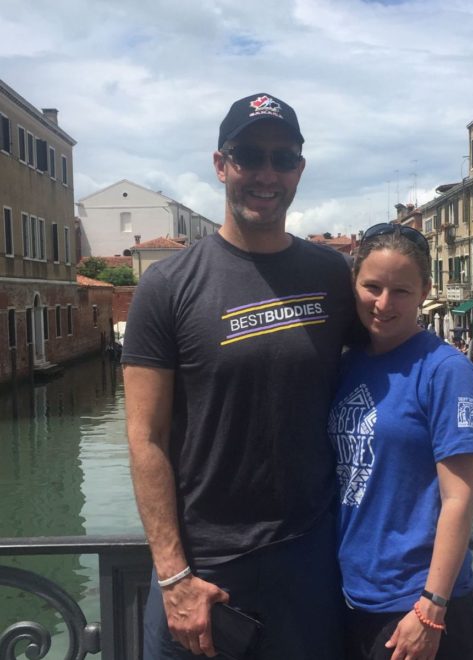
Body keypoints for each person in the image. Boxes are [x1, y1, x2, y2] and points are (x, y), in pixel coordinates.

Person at [122, 93, 357, 659]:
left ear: (299, 168)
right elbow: (145, 437)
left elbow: (385, 372)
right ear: (221, 164)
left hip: (309, 559)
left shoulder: (332, 274)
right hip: (204, 569)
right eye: (249, 155)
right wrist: (174, 576)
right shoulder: (166, 285)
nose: (266, 174)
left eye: (283, 158)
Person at [327, 223, 473, 660]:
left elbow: (459, 498)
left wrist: (431, 607)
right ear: (354, 284)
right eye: (372, 287)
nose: (383, 304)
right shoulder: (349, 365)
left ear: (424, 293)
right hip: (352, 595)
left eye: (400, 291)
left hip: (416, 607)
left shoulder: (446, 371)